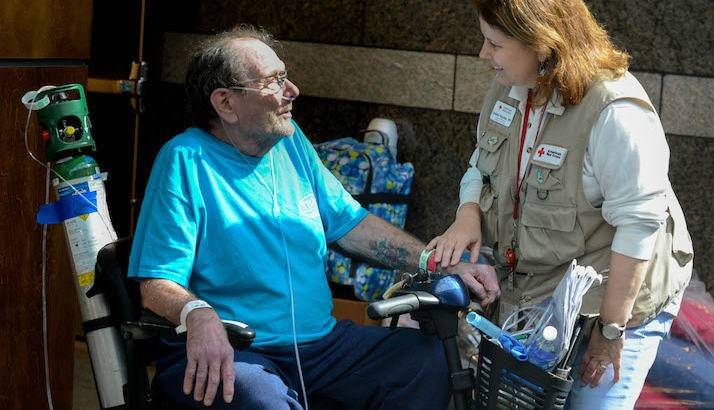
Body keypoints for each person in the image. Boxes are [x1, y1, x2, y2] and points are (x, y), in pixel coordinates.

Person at [128, 26, 499, 410]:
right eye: (274, 82)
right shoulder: (185, 159)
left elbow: (352, 225)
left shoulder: (289, 142)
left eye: (285, 76)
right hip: (238, 350)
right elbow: (156, 282)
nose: (292, 91)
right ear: (225, 103)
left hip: (321, 347)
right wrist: (197, 312)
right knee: (261, 397)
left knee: (424, 362)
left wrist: (438, 263)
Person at [427, 0, 694, 408]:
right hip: (542, 292)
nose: (483, 55)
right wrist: (468, 215)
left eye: (494, 44)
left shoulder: (616, 112)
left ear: (541, 44)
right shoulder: (511, 83)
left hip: (620, 298)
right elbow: (479, 166)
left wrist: (609, 333)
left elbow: (641, 226)